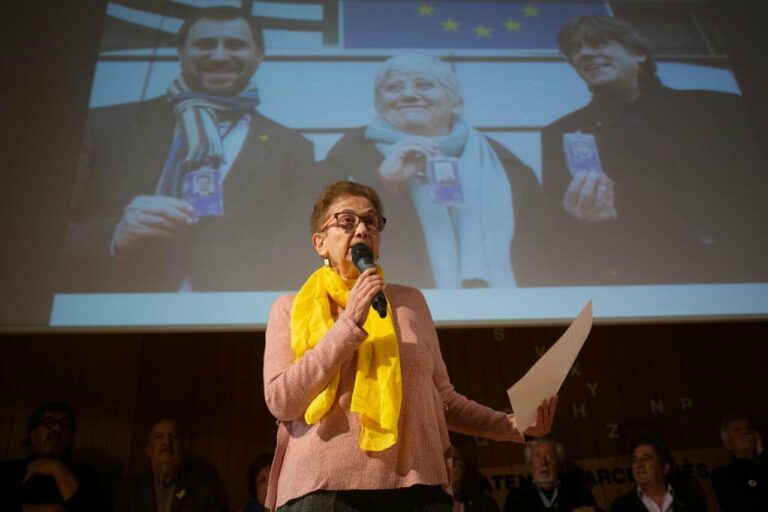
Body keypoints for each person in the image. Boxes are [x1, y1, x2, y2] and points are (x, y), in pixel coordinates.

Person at [262, 180, 559, 512]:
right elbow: (282, 401)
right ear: (320, 242)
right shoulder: (290, 309)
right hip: (324, 491)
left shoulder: (410, 302)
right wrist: (349, 324)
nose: (361, 229)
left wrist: (511, 425)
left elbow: (444, 400)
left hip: (419, 489)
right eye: (347, 220)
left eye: (371, 221)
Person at [59, 6, 314, 293]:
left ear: (260, 55)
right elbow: (47, 234)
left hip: (234, 313)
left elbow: (296, 247)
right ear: (180, 52)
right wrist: (114, 234)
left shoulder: (294, 148)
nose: (219, 56)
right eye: (205, 44)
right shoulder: (102, 126)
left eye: (235, 45)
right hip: (120, 309)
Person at [541, 15, 768, 285]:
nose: (585, 53)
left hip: (748, 274)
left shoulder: (722, 109)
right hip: (651, 280)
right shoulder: (561, 133)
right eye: (575, 49)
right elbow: (562, 230)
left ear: (638, 53)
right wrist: (588, 224)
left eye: (598, 43)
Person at [319, 54, 556, 289]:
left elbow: (542, 255)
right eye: (395, 87)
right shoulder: (346, 159)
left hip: (498, 307)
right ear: (379, 103)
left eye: (424, 85)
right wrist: (385, 181)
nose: (409, 94)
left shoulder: (505, 167)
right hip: (393, 303)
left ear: (456, 102)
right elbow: (333, 241)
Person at [0, 400, 102, 511]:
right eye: (48, 422)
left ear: (71, 438)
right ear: (33, 435)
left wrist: (57, 469)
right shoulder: (9, 471)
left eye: (64, 425)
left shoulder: (87, 475)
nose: (56, 429)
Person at [114, 418, 220, 512]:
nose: (167, 441)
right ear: (148, 449)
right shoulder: (129, 491)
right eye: (160, 436)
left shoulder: (203, 492)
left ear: (182, 449)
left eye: (173, 436)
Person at [503, 436, 597, 512]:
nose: (543, 462)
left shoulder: (580, 494)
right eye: (537, 456)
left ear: (559, 462)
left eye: (550, 456)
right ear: (530, 464)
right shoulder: (516, 498)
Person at [609, 438, 705, 512]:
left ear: (664, 467)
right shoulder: (621, 507)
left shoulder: (689, 500)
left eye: (645, 458)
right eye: (635, 460)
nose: (638, 465)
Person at [711, 412, 768, 511]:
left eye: (749, 428)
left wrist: (763, 455)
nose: (746, 432)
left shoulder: (763, 463)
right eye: (737, 430)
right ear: (728, 444)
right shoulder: (723, 474)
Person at [450, 445, 499, 512]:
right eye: (448, 459)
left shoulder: (484, 502)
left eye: (456, 459)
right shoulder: (437, 500)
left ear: (465, 463)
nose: (452, 463)